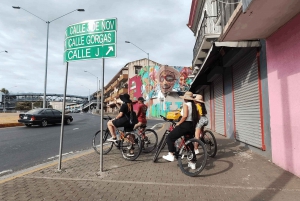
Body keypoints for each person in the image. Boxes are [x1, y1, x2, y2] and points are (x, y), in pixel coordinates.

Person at [162, 91, 199, 169]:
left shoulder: (186, 105)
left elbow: (185, 116)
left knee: (170, 137)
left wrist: (179, 123)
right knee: (189, 143)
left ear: (185, 98)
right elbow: (197, 117)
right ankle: (192, 163)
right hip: (192, 126)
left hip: (184, 125)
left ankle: (171, 154)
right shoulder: (194, 106)